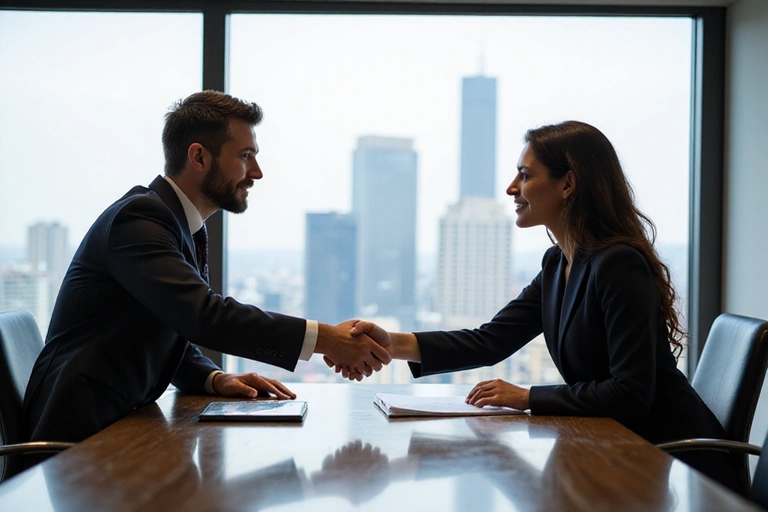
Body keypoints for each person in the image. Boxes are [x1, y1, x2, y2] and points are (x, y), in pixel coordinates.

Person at [336, 120, 742, 492]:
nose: (512, 188)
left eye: (526, 176)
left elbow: (630, 393)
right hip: (614, 454)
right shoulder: (557, 264)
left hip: (673, 463)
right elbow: (490, 340)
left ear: (568, 185)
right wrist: (391, 343)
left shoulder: (617, 263)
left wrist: (527, 396)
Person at [23, 90, 390, 446]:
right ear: (198, 157)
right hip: (75, 442)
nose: (257, 172)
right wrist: (325, 339)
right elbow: (202, 315)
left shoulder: (178, 224)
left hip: (121, 429)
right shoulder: (139, 219)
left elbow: (163, 325)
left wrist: (213, 378)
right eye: (245, 156)